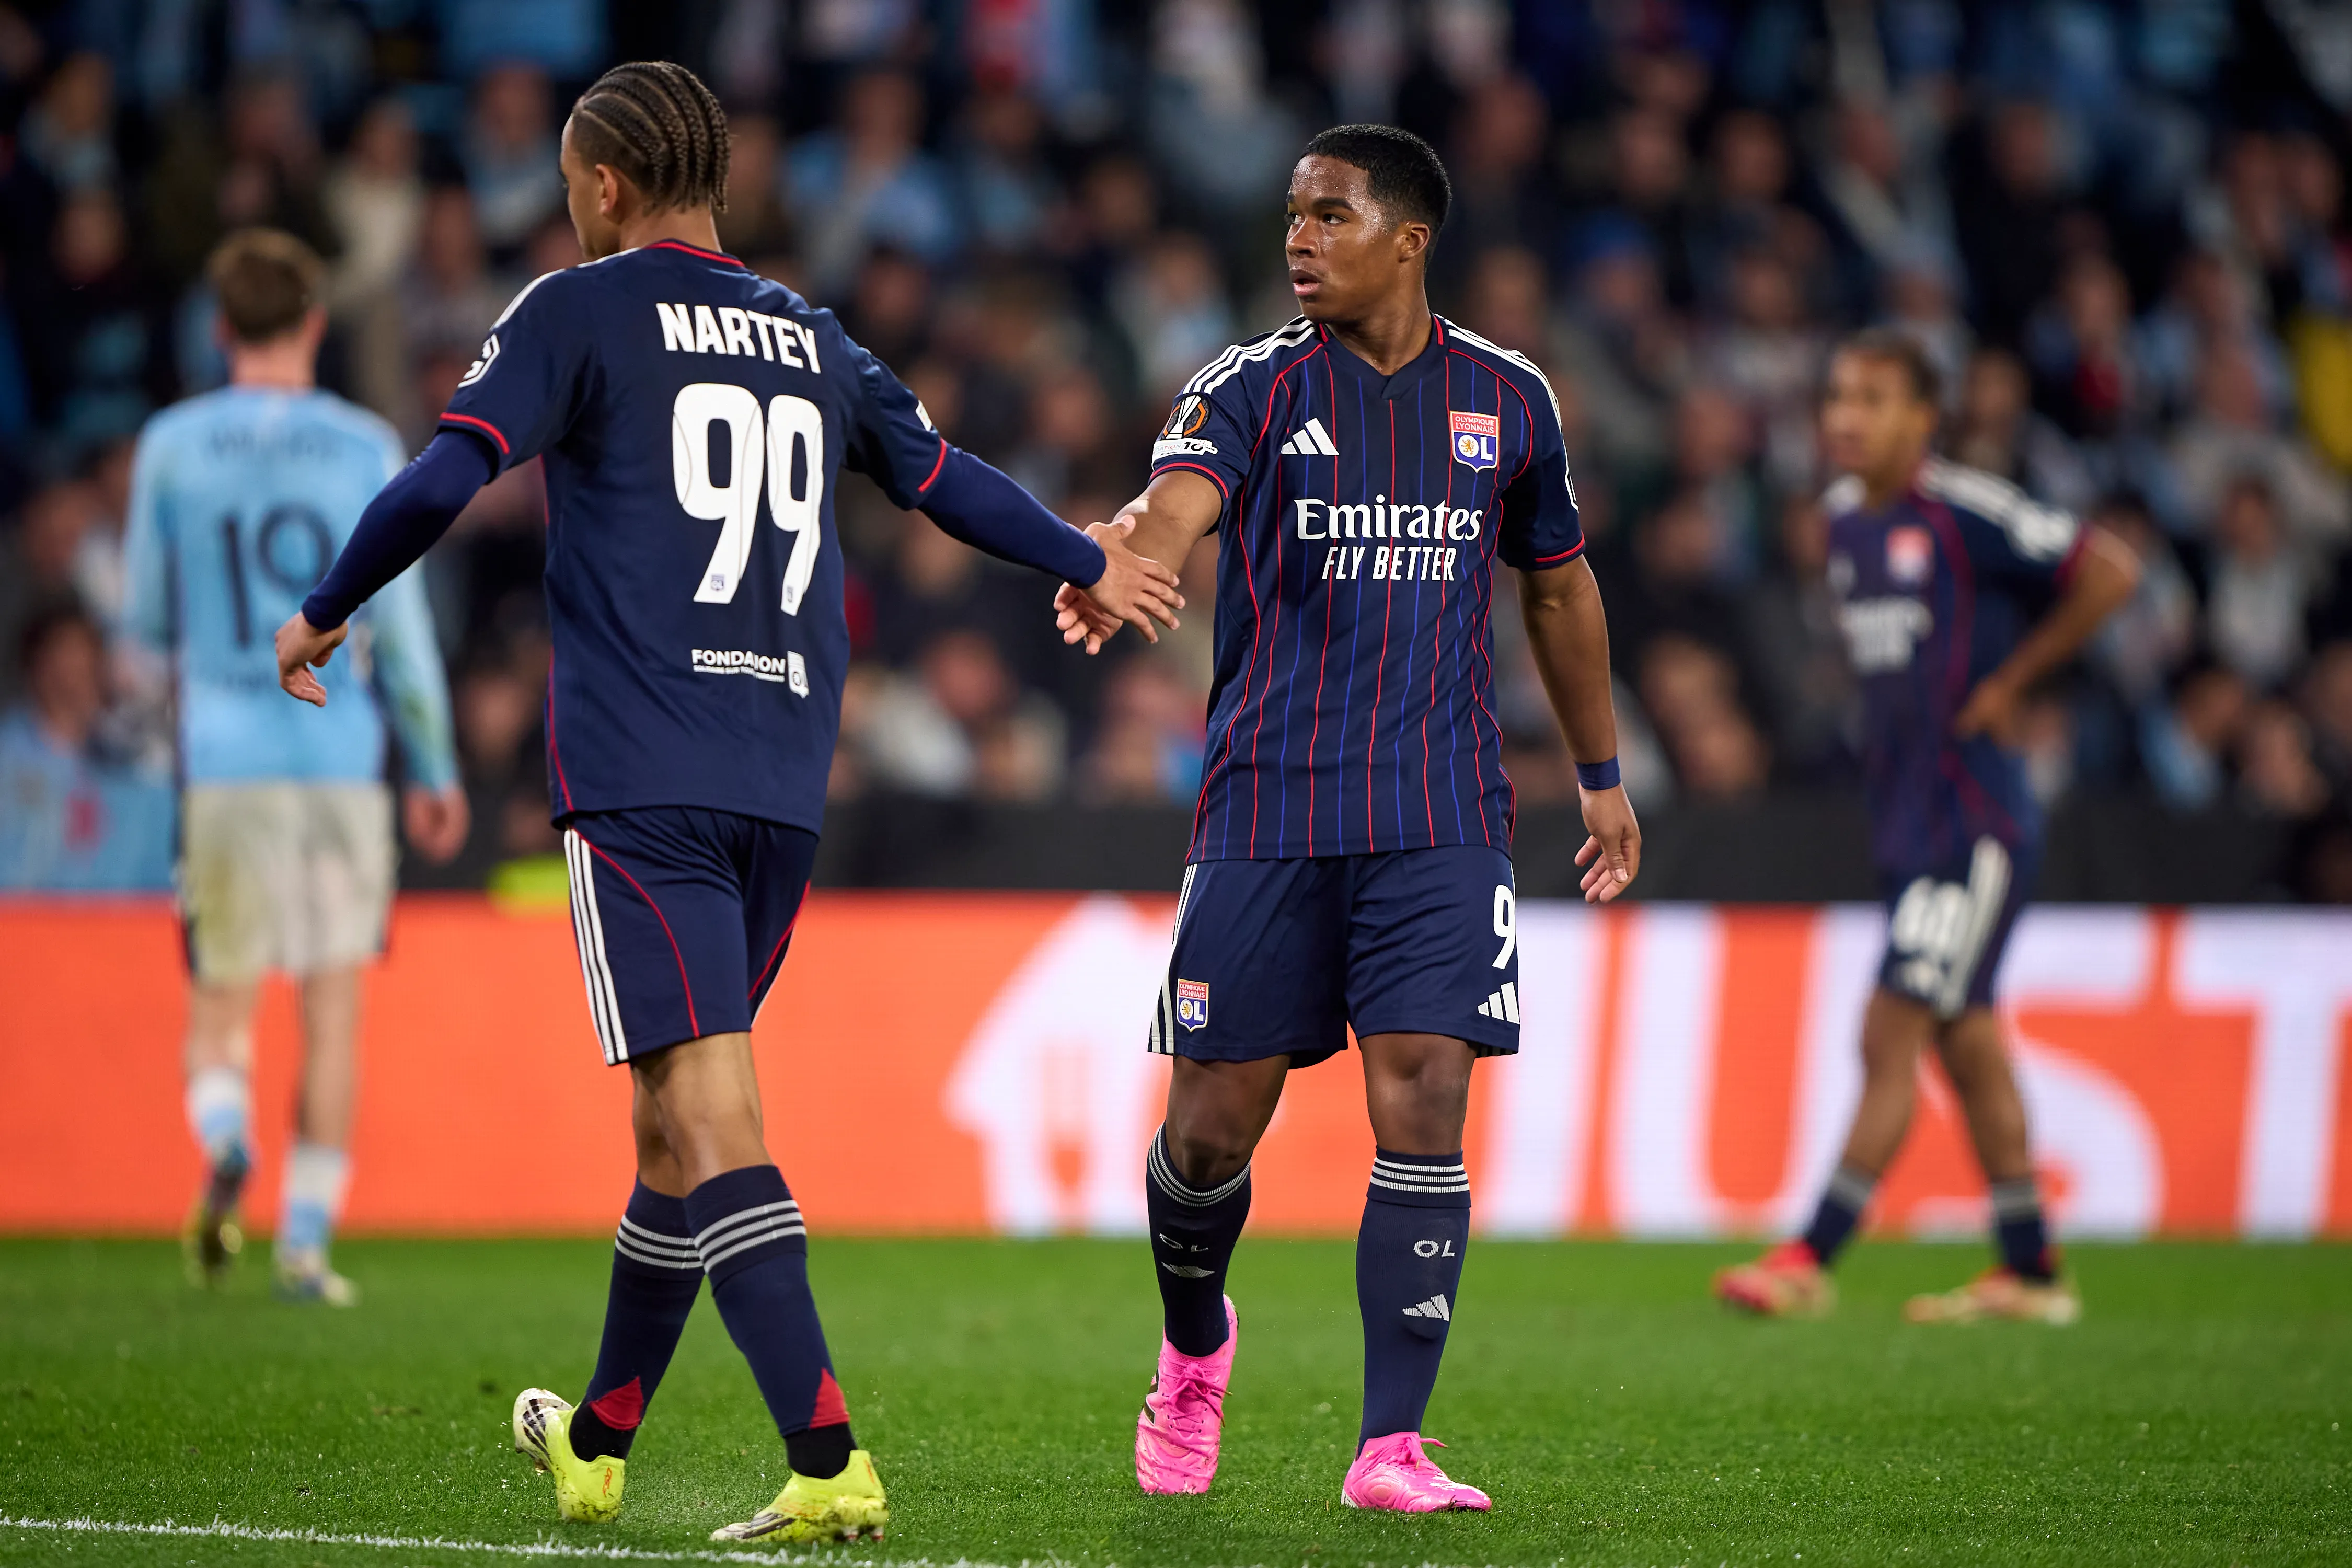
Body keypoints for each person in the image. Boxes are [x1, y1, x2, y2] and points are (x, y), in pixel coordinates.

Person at [271, 62, 1178, 1543]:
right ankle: (601, 1436)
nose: (568, 204)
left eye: (572, 181)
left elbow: (444, 477)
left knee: (711, 1110)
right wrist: (1083, 556)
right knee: (668, 1128)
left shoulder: (577, 308)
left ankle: (827, 1461)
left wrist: (325, 610)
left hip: (643, 776)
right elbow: (942, 478)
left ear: (606, 186)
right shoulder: (806, 334)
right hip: (778, 784)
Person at [1054, 125, 1641, 1513]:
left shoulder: (1507, 398)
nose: (1298, 240)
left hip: (1441, 811)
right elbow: (1173, 502)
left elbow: (1555, 585)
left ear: (1409, 239)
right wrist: (1120, 561)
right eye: (1292, 218)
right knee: (1207, 1137)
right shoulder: (1249, 386)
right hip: (1265, 808)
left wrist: (1603, 774)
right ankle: (1195, 1348)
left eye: (1329, 216)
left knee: (1426, 1092)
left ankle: (1390, 1444)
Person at [1713, 330, 2138, 1325]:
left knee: (1889, 1024)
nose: (1845, 418)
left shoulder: (1966, 513)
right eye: (1837, 398)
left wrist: (2013, 685)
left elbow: (2111, 570)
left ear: (1923, 418)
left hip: (1974, 823)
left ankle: (1811, 1255)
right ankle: (2031, 1269)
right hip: (1908, 822)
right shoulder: (1844, 522)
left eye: (1872, 399)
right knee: (1969, 1042)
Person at [119, 229, 467, 1306]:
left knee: (221, 1005)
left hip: (225, 760)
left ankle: (226, 1140)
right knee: (331, 1009)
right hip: (339, 761)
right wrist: (434, 766)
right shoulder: (363, 444)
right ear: (314, 323)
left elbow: (139, 631)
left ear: (220, 331)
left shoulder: (172, 445)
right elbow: (400, 627)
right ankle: (306, 1247)